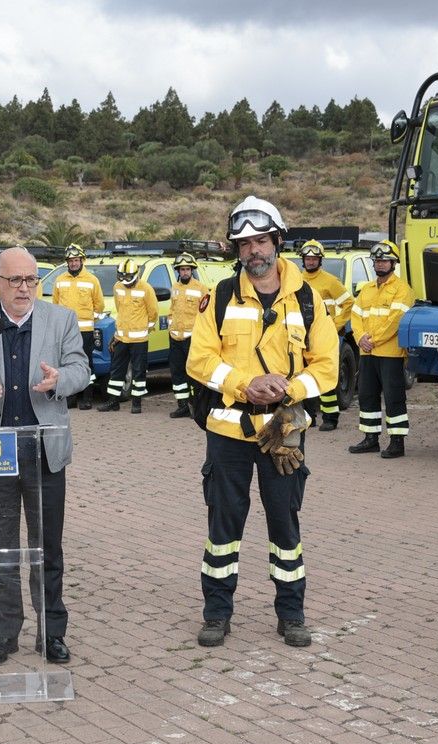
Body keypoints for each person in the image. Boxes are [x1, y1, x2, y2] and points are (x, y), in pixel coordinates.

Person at [186, 195, 339, 648]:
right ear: (236, 250)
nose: (253, 250)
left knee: (285, 526)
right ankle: (217, 614)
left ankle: (291, 615)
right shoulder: (218, 298)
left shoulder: (308, 299)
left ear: (277, 241)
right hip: (228, 431)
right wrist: (244, 385)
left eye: (260, 240)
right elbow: (199, 361)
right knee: (222, 528)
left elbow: (328, 366)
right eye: (244, 243)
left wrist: (286, 389)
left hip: (285, 430)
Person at [0, 247, 90, 666]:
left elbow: (81, 370)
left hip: (43, 448)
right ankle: (5, 633)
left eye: (31, 280)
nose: (25, 288)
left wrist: (58, 380)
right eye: (16, 280)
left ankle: (51, 634)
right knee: (0, 548)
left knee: (47, 546)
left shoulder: (61, 320)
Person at [348, 241, 414, 458]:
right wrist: (360, 339)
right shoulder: (366, 289)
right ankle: (370, 439)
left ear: (393, 262)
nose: (380, 264)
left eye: (385, 260)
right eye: (377, 260)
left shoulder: (402, 290)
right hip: (366, 353)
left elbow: (396, 321)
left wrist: (372, 339)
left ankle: (397, 443)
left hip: (390, 353)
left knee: (394, 397)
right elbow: (355, 316)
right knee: (367, 395)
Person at [297, 240, 353, 431]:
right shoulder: (296, 280)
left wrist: (335, 326)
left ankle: (330, 417)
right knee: (304, 376)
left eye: (314, 258)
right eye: (308, 258)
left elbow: (349, 303)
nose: (311, 262)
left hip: (324, 336)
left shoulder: (330, 281)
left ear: (320, 260)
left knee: (326, 374)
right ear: (303, 260)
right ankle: (308, 417)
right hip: (301, 336)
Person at [98, 259, 157, 413]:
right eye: (122, 278)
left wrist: (144, 329)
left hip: (139, 339)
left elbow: (153, 313)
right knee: (116, 370)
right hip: (121, 338)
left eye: (128, 279)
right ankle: (113, 401)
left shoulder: (146, 288)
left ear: (136, 275)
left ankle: (136, 403)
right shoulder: (117, 287)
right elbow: (120, 310)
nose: (125, 282)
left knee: (138, 371)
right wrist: (118, 334)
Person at [52, 243, 105, 409]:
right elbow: (55, 304)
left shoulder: (92, 280)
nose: (73, 263)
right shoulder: (60, 280)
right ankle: (71, 397)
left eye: (76, 260)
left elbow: (99, 306)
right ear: (67, 263)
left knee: (86, 364)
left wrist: (89, 319)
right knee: (67, 364)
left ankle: (87, 398)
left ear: (82, 261)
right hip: (65, 332)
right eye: (71, 261)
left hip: (85, 331)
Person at [167, 252, 209, 418]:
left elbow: (205, 314)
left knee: (194, 374)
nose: (184, 272)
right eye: (182, 269)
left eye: (187, 269)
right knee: (177, 373)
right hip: (175, 338)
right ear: (178, 271)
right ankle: (182, 405)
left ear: (192, 270)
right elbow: (172, 310)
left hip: (192, 338)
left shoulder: (201, 289)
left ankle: (196, 405)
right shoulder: (175, 288)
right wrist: (171, 327)